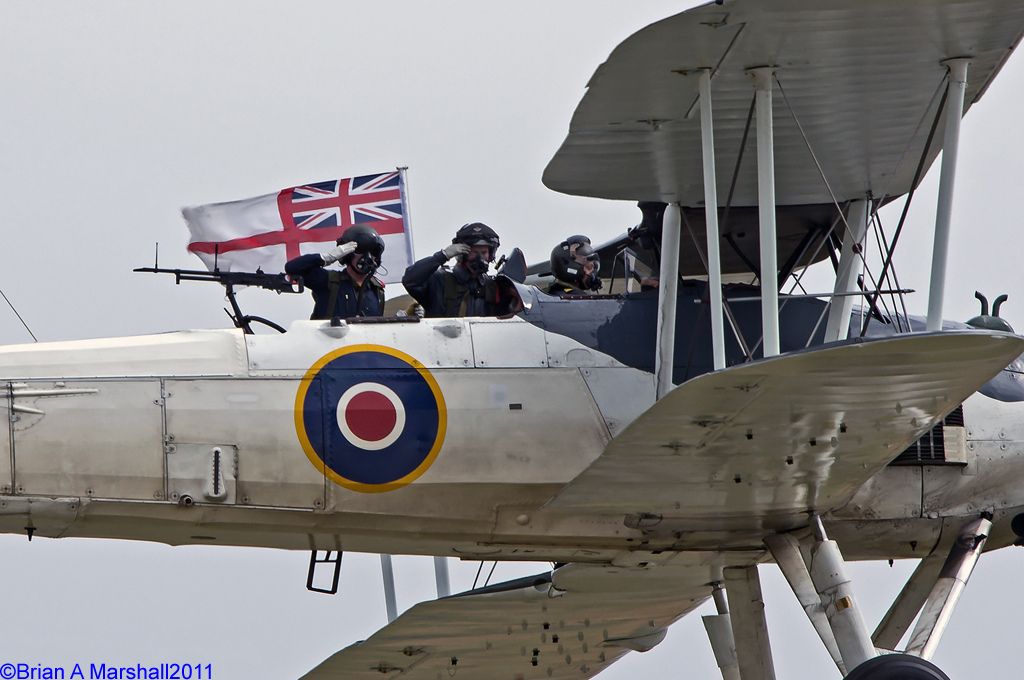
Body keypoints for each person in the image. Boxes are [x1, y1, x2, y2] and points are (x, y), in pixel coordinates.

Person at [284, 225, 385, 320]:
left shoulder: (377, 290)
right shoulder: (328, 281)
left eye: (374, 252)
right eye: (361, 250)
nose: (368, 256)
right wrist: (327, 257)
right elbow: (292, 267)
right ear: (347, 254)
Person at [402, 222, 501, 317]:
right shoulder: (439, 281)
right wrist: (442, 255)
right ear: (462, 253)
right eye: (474, 252)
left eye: (484, 252)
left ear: (490, 255)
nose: (480, 258)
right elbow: (410, 281)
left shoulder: (492, 287)